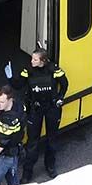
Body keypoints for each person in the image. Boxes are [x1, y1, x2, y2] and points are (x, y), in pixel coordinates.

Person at [15, 46, 69, 177]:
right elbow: (18, 85)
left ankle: (50, 165)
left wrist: (60, 98)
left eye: (34, 59)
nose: (31, 61)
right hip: (35, 108)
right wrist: (11, 78)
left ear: (42, 61)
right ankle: (27, 172)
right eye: (32, 58)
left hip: (51, 108)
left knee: (52, 139)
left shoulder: (53, 69)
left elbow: (65, 83)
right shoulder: (28, 70)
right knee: (32, 142)